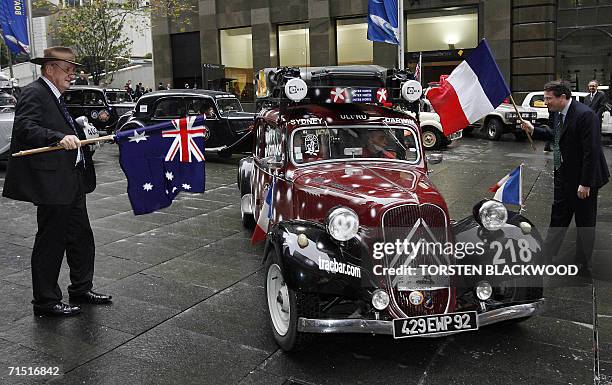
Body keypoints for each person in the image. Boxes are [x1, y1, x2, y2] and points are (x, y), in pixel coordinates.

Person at [2, 46, 112, 317]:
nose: (72, 74)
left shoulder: (57, 96)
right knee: (51, 241)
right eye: (68, 69)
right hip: (52, 184)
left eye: (74, 69)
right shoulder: (34, 92)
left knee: (81, 237)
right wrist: (56, 137)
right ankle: (46, 301)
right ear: (49, 68)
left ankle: (81, 288)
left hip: (71, 180)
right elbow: (26, 128)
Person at [522, 80, 609, 276]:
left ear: (563, 97)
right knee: (558, 217)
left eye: (548, 98)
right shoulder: (557, 113)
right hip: (563, 173)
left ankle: (583, 265)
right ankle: (547, 256)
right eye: (545, 98)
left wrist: (585, 183)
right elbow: (556, 136)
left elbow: (592, 152)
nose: (545, 102)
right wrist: (534, 129)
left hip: (584, 179)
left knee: (585, 222)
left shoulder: (586, 116)